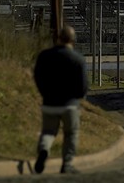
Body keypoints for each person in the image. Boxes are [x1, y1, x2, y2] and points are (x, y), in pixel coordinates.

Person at [33, 25, 88, 174]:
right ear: (73, 40)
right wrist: (76, 98)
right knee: (71, 134)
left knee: (48, 132)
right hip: (70, 105)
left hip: (49, 103)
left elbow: (37, 76)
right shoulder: (78, 59)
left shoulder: (44, 56)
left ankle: (44, 150)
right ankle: (67, 164)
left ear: (58, 38)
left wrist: (44, 93)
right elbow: (83, 87)